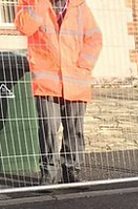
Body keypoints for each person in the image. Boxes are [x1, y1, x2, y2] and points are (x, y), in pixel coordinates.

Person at [15, 0, 103, 185]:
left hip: (75, 80)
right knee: (48, 129)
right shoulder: (30, 3)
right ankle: (49, 174)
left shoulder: (80, 7)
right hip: (47, 81)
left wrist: (84, 65)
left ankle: (72, 171)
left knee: (74, 130)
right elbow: (24, 27)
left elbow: (95, 38)